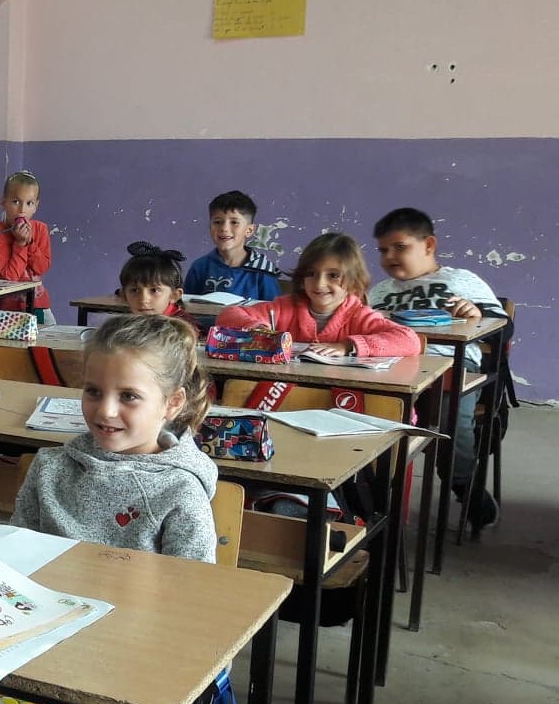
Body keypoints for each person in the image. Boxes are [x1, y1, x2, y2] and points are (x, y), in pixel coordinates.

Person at [10, 315, 217, 562]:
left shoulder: (181, 491)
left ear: (172, 403)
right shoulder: (49, 467)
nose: (105, 411)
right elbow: (13, 554)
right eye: (93, 391)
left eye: (129, 396)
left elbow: (192, 581)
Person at [369, 207, 505, 524]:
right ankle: (365, 494)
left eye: (400, 247)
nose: (390, 257)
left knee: (449, 421)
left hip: (449, 367)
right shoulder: (379, 291)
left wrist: (475, 313)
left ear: (429, 245)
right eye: (383, 250)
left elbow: (502, 329)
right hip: (391, 366)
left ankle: (464, 485)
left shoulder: (460, 281)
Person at [216, 232, 421, 358]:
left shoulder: (359, 316)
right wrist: (259, 330)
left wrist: (348, 346)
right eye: (311, 274)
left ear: (352, 281)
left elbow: (410, 340)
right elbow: (228, 315)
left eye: (333, 275)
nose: (320, 283)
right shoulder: (284, 308)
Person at [183, 190, 282, 301]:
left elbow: (273, 309)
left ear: (249, 230)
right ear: (210, 227)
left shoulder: (263, 271)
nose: (224, 228)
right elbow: (186, 305)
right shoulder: (199, 267)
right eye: (217, 222)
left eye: (234, 222)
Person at [0, 170, 54, 322]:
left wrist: (30, 243)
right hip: (5, 309)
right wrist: (20, 244)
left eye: (29, 203)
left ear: (36, 206)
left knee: (44, 332)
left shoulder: (41, 229)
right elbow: (10, 278)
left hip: (37, 303)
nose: (22, 210)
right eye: (16, 202)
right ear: (3, 203)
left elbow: (42, 267)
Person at [117, 241, 197, 329]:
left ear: (174, 295)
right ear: (124, 295)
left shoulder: (185, 329)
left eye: (154, 290)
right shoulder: (121, 327)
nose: (143, 300)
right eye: (135, 290)